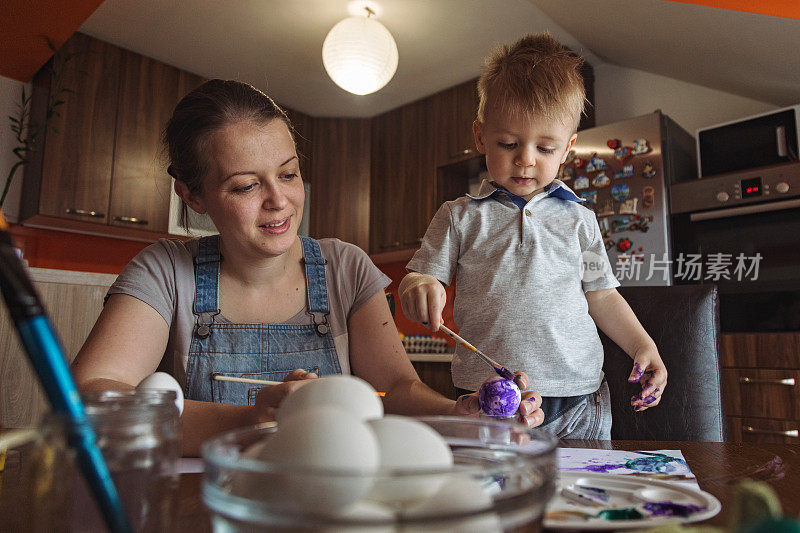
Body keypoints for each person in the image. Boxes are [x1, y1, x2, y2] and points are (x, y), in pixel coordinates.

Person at [71, 80, 544, 456]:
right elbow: (92, 397)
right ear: (192, 196)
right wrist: (249, 420)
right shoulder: (165, 272)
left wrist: (460, 415)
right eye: (243, 187)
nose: (279, 202)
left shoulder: (346, 267)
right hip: (212, 501)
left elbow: (398, 389)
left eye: (289, 174)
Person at [399, 33, 667, 440]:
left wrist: (642, 345)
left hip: (582, 401)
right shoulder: (459, 216)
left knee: (585, 499)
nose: (525, 159)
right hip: (489, 399)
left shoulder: (582, 221)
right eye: (508, 143)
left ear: (568, 149)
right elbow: (420, 278)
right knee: (503, 495)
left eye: (545, 148)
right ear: (479, 137)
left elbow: (602, 294)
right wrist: (419, 285)